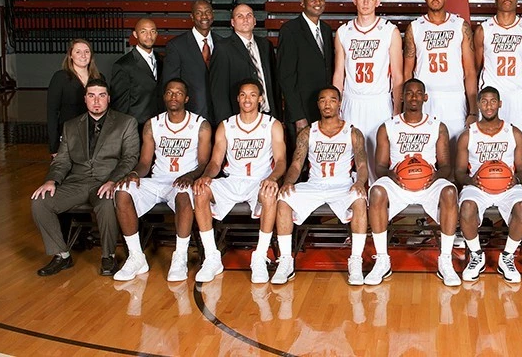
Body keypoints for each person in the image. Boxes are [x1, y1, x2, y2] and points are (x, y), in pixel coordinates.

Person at [31, 79, 140, 276]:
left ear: (109, 98)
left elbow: (129, 158)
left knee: (107, 202)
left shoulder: (126, 123)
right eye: (91, 96)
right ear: (85, 99)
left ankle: (108, 256)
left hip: (106, 181)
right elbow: (62, 160)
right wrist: (51, 180)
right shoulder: (71, 126)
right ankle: (61, 255)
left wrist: (113, 181)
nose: (96, 101)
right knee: (40, 202)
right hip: (77, 182)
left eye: (101, 95)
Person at [112, 79, 212, 282]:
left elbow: (203, 163)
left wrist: (191, 176)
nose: (174, 96)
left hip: (183, 181)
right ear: (164, 96)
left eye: (178, 93)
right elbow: (145, 162)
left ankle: (180, 257)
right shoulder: (152, 124)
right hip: (157, 180)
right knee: (122, 191)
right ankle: (136, 256)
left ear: (186, 98)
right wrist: (133, 173)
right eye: (169, 92)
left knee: (184, 194)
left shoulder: (200, 125)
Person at [364, 79, 460, 286]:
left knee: (450, 192)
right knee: (377, 191)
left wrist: (435, 176)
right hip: (398, 180)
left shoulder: (437, 126)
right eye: (409, 93)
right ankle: (382, 260)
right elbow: (380, 167)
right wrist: (392, 175)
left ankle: (445, 260)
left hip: (429, 181)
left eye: (418, 93)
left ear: (425, 97)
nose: (413, 97)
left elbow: (446, 167)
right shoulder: (388, 127)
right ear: (402, 97)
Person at [271, 86, 370, 286]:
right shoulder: (308, 132)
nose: (327, 104)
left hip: (342, 185)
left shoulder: (353, 132)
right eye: (323, 100)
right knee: (283, 199)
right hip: (315, 185)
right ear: (318, 104)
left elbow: (361, 164)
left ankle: (356, 261)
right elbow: (297, 164)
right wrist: (289, 181)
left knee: (359, 200)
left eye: (332, 99)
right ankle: (286, 261)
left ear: (339, 103)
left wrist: (360, 182)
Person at [193, 79, 287, 284]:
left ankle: (260, 257)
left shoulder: (272, 125)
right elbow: (216, 162)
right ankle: (212, 257)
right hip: (232, 180)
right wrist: (206, 176)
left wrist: (272, 178)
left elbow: (281, 161)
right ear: (238, 98)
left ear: (260, 99)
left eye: (253, 95)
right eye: (243, 94)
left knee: (270, 192)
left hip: (260, 181)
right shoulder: (226, 126)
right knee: (200, 191)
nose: (247, 99)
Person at [455, 86, 522, 283]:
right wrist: (472, 181)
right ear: (478, 104)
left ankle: (507, 257)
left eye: (493, 101)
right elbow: (459, 172)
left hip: (507, 185)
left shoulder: (513, 132)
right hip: (478, 185)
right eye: (484, 101)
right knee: (467, 206)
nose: (489, 106)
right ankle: (477, 255)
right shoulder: (468, 134)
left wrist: (517, 179)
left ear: (500, 104)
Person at [333, 0, 403, 182]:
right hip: (351, 100)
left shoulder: (389, 30)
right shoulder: (343, 32)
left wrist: (397, 109)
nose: (365, 3)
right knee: (348, 157)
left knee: (376, 159)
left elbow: (398, 75)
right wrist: (338, 107)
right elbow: (339, 74)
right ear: (354, 1)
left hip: (379, 101)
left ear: (377, 2)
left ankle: (378, 207)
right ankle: (352, 207)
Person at [404, 0, 478, 144]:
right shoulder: (415, 27)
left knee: (454, 150)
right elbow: (407, 72)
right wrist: (408, 106)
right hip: (425, 98)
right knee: (426, 151)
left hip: (454, 97)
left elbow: (470, 71)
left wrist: (473, 110)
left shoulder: (460, 26)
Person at [474, 0, 522, 139]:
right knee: (489, 141)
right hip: (491, 95)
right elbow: (477, 66)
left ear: (517, 2)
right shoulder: (484, 29)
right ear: (496, 1)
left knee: (520, 142)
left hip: (517, 95)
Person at [278, 0, 335, 141]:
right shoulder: (290, 30)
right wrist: (298, 116)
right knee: (300, 161)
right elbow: (286, 77)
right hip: (302, 112)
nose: (318, 2)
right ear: (302, 3)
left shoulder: (326, 29)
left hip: (324, 111)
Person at [210, 4, 280, 123]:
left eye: (249, 15)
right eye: (240, 16)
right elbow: (218, 91)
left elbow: (274, 83)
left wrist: (277, 115)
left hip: (267, 115)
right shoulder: (223, 48)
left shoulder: (265, 45)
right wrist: (225, 123)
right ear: (232, 22)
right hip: (238, 119)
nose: (245, 19)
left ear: (254, 21)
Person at [164, 0, 219, 122]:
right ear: (192, 17)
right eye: (199, 13)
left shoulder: (222, 43)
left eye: (207, 12)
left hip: (219, 116)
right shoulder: (176, 46)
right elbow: (170, 85)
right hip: (190, 116)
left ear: (213, 15)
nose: (204, 16)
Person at [47, 38, 103, 156]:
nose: (83, 55)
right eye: (78, 52)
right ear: (70, 55)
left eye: (87, 52)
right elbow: (52, 113)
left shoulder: (99, 78)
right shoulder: (60, 77)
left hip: (94, 138)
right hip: (69, 138)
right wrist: (54, 147)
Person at [111, 18, 162, 126]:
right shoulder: (123, 65)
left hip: (160, 125)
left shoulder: (162, 60)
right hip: (135, 127)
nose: (149, 36)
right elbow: (120, 105)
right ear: (135, 34)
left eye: (152, 31)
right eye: (143, 32)